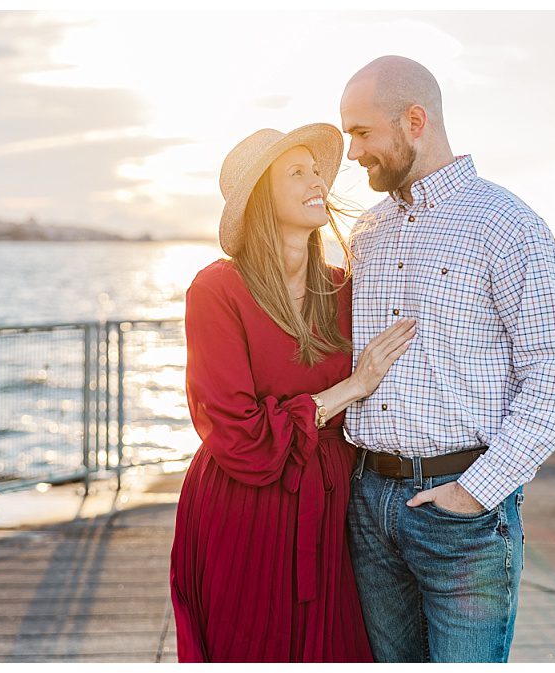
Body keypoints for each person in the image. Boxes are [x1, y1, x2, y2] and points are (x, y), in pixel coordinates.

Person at [340, 55, 555, 662]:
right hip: (368, 504)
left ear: (414, 120)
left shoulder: (506, 225)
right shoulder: (367, 233)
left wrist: (476, 493)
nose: (352, 154)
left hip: (464, 513)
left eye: (362, 133)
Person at [169, 123, 416, 662]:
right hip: (244, 507)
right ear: (261, 195)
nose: (317, 182)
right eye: (297, 172)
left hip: (332, 510)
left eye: (317, 171)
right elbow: (237, 435)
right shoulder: (217, 290)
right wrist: (351, 388)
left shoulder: (342, 287)